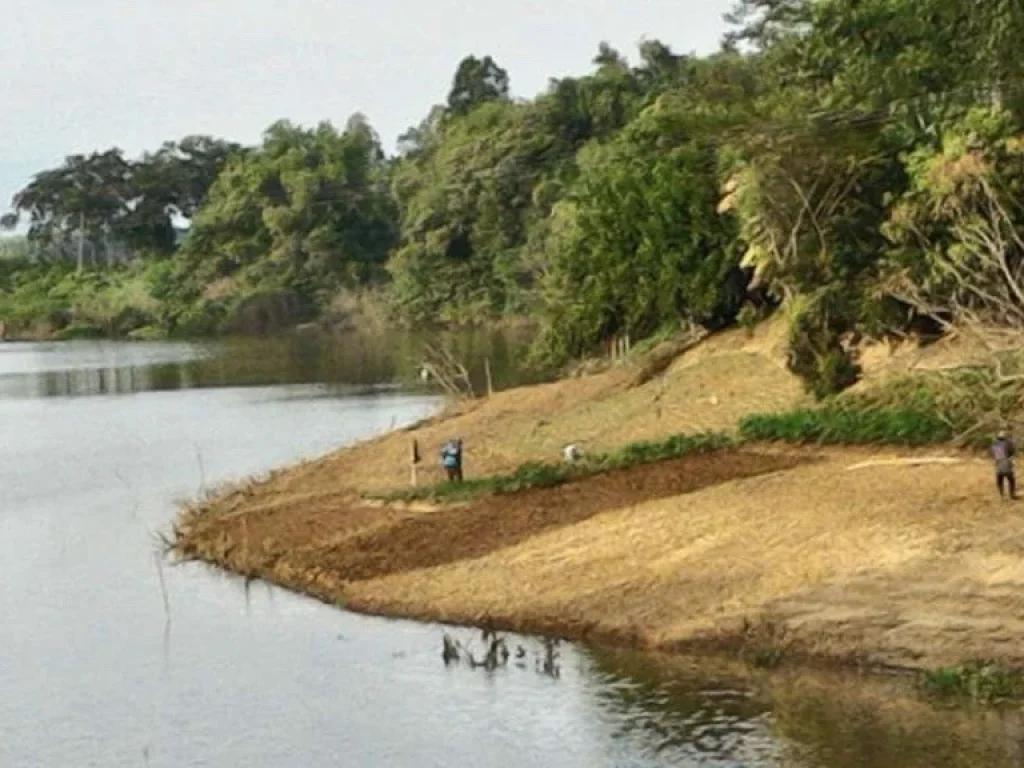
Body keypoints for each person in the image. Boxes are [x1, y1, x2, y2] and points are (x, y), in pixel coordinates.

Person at [992, 429, 1017, 500]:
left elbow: (993, 453)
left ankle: (1001, 495)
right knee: (1011, 480)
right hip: (1006, 464)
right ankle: (1012, 495)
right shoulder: (1008, 443)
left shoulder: (994, 444)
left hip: (998, 465)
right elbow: (1012, 452)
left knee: (999, 481)